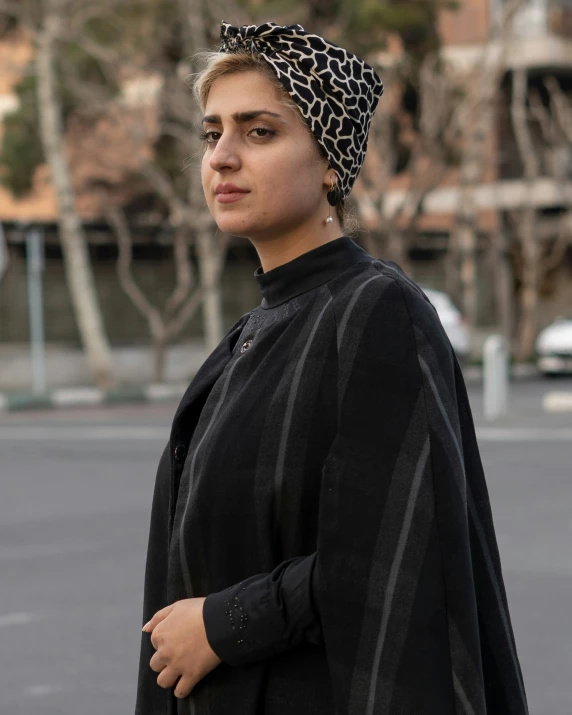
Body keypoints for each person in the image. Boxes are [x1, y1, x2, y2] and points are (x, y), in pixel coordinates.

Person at [135, 20, 528, 715]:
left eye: (259, 131)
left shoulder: (374, 311)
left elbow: (396, 552)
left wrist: (222, 625)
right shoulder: (246, 338)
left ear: (329, 161)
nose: (222, 156)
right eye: (211, 132)